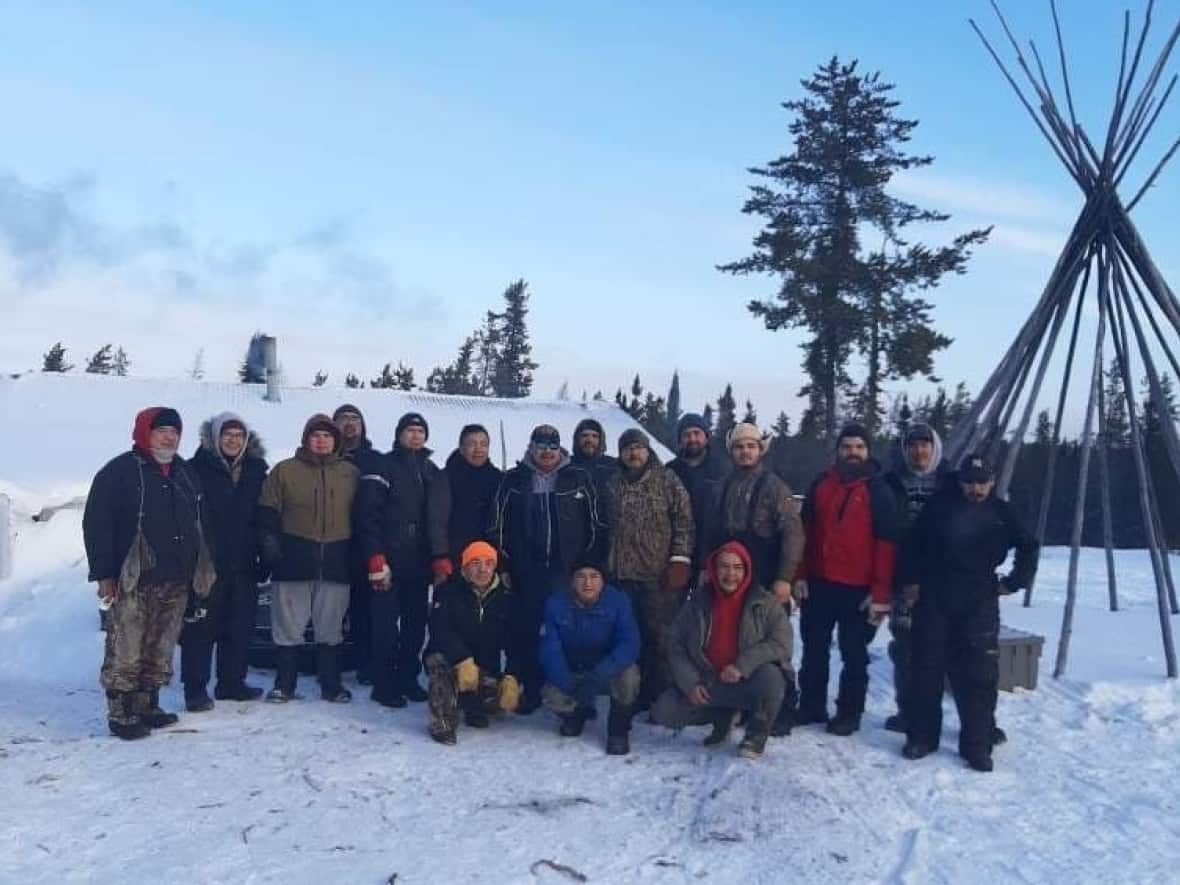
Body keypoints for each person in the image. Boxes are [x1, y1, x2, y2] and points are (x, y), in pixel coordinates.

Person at [900, 453, 1039, 772]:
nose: (975, 489)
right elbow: (912, 544)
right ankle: (922, 737)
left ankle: (977, 744)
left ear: (991, 482)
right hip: (936, 595)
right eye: (969, 483)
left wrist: (1015, 582)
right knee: (926, 669)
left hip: (979, 598)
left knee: (979, 674)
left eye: (981, 483)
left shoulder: (1001, 512)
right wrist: (910, 581)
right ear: (960, 482)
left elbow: (1029, 545)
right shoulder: (939, 507)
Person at [83, 407, 215, 739]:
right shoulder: (119, 472)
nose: (169, 437)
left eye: (174, 432)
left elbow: (200, 522)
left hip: (176, 576)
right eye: (162, 431)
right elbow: (97, 525)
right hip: (133, 577)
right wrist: (103, 575)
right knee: (127, 644)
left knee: (161, 645)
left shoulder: (184, 473)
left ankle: (148, 704)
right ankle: (121, 712)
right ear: (144, 432)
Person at [794, 423, 899, 736]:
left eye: (859, 447)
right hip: (819, 582)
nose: (853, 453)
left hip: (859, 589)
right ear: (837, 450)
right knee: (814, 648)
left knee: (855, 654)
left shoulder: (879, 489)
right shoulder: (821, 484)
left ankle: (849, 712)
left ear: (867, 452)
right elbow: (805, 533)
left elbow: (886, 544)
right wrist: (799, 574)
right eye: (847, 447)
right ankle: (811, 704)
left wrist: (880, 593)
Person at [490, 425, 602, 713]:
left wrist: (589, 565)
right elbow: (496, 526)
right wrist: (503, 564)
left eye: (552, 447)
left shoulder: (577, 477)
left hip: (568, 569)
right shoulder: (514, 480)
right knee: (526, 630)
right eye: (541, 447)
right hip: (526, 568)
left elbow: (596, 524)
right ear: (531, 448)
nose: (547, 453)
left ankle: (575, 693)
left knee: (569, 632)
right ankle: (530, 687)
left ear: (560, 449)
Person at [651, 540, 791, 760]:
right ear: (714, 570)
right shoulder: (697, 602)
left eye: (737, 567)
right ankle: (721, 716)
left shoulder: (765, 602)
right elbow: (675, 642)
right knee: (664, 712)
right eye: (724, 567)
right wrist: (690, 683)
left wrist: (742, 665)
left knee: (772, 679)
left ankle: (756, 734)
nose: (730, 574)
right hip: (707, 681)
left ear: (747, 570)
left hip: (746, 682)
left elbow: (781, 643)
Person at [708, 422, 803, 736]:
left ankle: (783, 706)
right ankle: (740, 702)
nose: (745, 451)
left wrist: (785, 578)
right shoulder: (722, 486)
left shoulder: (776, 487)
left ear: (760, 449)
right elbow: (712, 532)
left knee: (772, 643)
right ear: (731, 451)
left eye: (751, 445)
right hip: (730, 575)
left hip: (764, 575)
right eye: (739, 446)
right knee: (734, 639)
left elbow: (793, 534)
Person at [257, 414, 359, 704]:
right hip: (293, 559)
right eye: (316, 435)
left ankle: (332, 684)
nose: (322, 440)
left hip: (336, 561)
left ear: (336, 441)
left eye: (327, 436)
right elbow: (266, 512)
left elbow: (362, 516)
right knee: (288, 627)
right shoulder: (284, 471)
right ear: (306, 439)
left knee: (331, 628)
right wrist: (270, 547)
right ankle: (284, 684)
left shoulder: (350, 473)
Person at [356, 412, 448, 707]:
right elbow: (367, 514)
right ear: (398, 434)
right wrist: (375, 555)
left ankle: (408, 677)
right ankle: (383, 683)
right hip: (388, 562)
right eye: (410, 430)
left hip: (418, 564)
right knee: (384, 626)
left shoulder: (432, 469)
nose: (415, 435)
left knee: (414, 626)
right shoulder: (383, 465)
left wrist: (438, 556)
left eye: (420, 431)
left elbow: (437, 518)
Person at [180, 412, 269, 711]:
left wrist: (267, 550)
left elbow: (265, 515)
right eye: (227, 435)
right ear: (215, 438)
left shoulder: (257, 471)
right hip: (206, 562)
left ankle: (232, 683)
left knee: (239, 625)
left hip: (244, 560)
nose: (233, 440)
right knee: (201, 628)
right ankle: (195, 689)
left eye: (239, 436)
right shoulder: (194, 469)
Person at [605, 428, 694, 709]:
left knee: (660, 637)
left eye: (639, 448)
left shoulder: (667, 480)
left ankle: (659, 693)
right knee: (627, 636)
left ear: (648, 450)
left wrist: (680, 559)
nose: (634, 453)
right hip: (621, 575)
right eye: (628, 448)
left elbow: (684, 522)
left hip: (658, 575)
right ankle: (628, 693)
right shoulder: (611, 483)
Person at [881, 422, 951, 733]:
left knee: (941, 650)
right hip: (902, 578)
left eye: (924, 445)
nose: (919, 451)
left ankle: (969, 721)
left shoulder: (950, 482)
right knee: (905, 648)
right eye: (913, 445)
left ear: (934, 448)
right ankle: (908, 712)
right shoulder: (891, 482)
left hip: (941, 581)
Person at [423, 541, 520, 745]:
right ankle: (442, 723)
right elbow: (440, 630)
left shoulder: (506, 597)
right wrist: (462, 659)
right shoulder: (448, 591)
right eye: (475, 563)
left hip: (483, 667)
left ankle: (473, 704)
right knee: (439, 665)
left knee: (501, 698)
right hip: (450, 659)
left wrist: (513, 676)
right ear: (465, 566)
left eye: (488, 563)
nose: (482, 569)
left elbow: (515, 641)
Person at [540, 560, 640, 755]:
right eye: (581, 576)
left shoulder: (618, 602)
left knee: (630, 676)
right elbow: (549, 650)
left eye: (594, 576)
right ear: (571, 581)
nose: (588, 583)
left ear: (603, 581)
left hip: (605, 671)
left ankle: (618, 729)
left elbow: (630, 643)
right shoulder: (555, 604)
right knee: (551, 695)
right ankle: (577, 713)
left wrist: (601, 673)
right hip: (573, 670)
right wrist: (569, 685)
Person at [334, 403, 385, 686]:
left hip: (364, 543)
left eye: (356, 418)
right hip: (331, 543)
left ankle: (365, 660)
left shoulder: (375, 460)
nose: (350, 424)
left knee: (366, 607)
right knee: (332, 606)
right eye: (343, 419)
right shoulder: (324, 456)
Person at [667, 413, 732, 573]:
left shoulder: (722, 469)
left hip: (713, 549)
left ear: (706, 436)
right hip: (676, 553)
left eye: (697, 433)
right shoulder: (670, 470)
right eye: (687, 435)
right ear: (680, 439)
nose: (692, 439)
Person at [432, 423, 504, 563]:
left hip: (489, 557)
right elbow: (437, 521)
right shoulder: (446, 477)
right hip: (455, 556)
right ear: (461, 448)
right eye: (472, 444)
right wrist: (440, 556)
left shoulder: (498, 479)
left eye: (483, 444)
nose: (478, 449)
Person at [570, 418, 617, 520]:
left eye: (595, 436)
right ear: (577, 439)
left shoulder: (614, 467)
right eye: (584, 435)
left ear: (601, 440)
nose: (589, 440)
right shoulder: (566, 466)